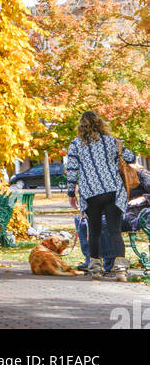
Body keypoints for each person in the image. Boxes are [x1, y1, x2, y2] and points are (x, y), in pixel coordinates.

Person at [66, 109, 137, 281]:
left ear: (81, 126)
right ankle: (121, 271)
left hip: (90, 192)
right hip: (113, 191)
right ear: (101, 123)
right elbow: (131, 157)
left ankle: (96, 270)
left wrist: (71, 192)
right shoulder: (112, 141)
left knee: (95, 231)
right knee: (114, 231)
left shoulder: (76, 144)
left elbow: (72, 170)